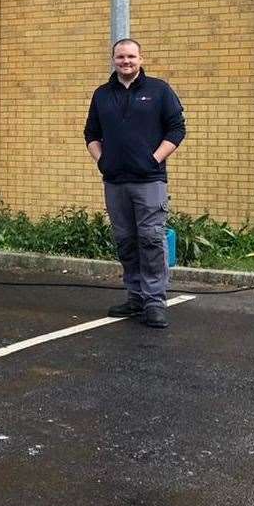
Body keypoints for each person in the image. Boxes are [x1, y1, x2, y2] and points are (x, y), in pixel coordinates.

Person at [83, 37, 186, 329]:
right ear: (113, 60)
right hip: (115, 181)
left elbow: (177, 129)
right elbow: (90, 133)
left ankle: (155, 302)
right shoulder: (102, 94)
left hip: (149, 181)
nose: (126, 62)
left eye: (131, 57)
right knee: (126, 240)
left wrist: (154, 159)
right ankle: (136, 296)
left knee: (151, 239)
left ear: (140, 59)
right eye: (120, 57)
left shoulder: (159, 90)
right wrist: (102, 160)